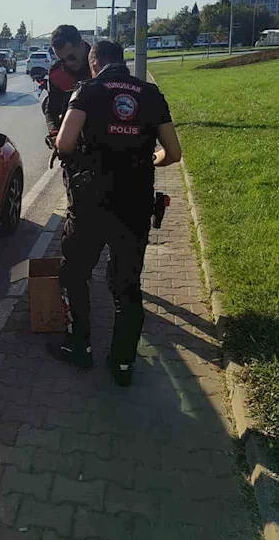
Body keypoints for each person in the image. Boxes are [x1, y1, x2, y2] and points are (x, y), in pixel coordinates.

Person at [48, 41, 182, 386]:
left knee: (75, 274)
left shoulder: (89, 91)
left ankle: (80, 346)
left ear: (95, 65)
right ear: (121, 62)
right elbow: (174, 152)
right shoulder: (150, 94)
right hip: (135, 204)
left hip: (91, 203)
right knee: (126, 285)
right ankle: (123, 363)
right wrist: (147, 160)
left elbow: (64, 144)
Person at [45, 24, 92, 139]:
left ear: (81, 44)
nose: (68, 63)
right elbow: (51, 109)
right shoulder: (57, 73)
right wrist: (54, 132)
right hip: (72, 139)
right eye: (62, 60)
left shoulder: (103, 63)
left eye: (72, 57)